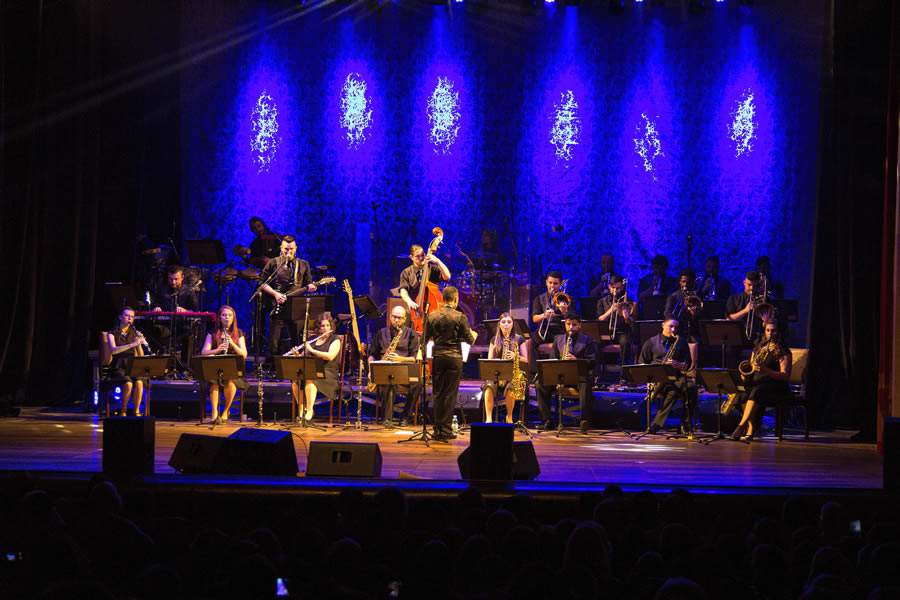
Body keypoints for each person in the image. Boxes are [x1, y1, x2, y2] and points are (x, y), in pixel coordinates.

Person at [424, 286, 477, 441]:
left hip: (438, 357)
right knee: (450, 395)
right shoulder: (460, 317)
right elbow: (470, 339)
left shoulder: (432, 315)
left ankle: (437, 429)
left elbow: (424, 340)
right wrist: (468, 335)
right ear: (455, 299)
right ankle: (446, 430)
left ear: (443, 298)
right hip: (454, 358)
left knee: (438, 393)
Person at [731, 320, 792, 442]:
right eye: (768, 330)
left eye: (773, 330)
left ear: (778, 332)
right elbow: (751, 365)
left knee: (757, 392)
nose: (770, 333)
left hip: (775, 386)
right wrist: (747, 372)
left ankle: (741, 425)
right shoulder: (759, 347)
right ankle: (752, 426)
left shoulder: (783, 351)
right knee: (741, 394)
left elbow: (785, 375)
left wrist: (766, 371)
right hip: (759, 383)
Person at [536, 313, 596, 432]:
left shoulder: (587, 340)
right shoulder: (558, 339)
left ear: (579, 326)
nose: (571, 327)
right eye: (568, 324)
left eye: (574, 325)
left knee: (586, 382)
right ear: (565, 324)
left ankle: (584, 420)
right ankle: (547, 420)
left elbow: (592, 361)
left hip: (578, 376)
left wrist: (576, 360)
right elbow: (552, 359)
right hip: (560, 375)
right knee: (540, 383)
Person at [259, 236, 317, 355]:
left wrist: (312, 287)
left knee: (296, 340)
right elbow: (262, 283)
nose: (288, 251)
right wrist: (275, 294)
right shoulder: (273, 263)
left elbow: (309, 283)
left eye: (291, 249)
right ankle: (272, 367)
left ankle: (295, 367)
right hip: (278, 305)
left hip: (296, 307)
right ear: (281, 248)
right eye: (286, 249)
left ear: (296, 249)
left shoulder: (304, 264)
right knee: (274, 341)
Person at [368, 305, 421, 426]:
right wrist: (371, 369)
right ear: (390, 317)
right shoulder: (381, 333)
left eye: (399, 318)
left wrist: (400, 359)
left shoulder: (411, 334)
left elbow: (413, 358)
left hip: (403, 370)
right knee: (388, 380)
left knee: (418, 384)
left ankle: (406, 417)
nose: (396, 320)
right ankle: (387, 419)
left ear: (404, 319)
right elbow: (372, 354)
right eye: (394, 317)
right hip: (385, 370)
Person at [640, 319, 693, 434]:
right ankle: (656, 424)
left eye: (676, 327)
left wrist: (677, 364)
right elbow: (642, 363)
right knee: (673, 392)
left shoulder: (681, 342)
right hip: (657, 378)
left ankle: (686, 423)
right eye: (671, 326)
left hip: (675, 376)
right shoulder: (651, 342)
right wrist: (649, 379)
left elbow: (687, 364)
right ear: (663, 325)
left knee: (691, 387)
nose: (673, 330)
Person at [286, 315, 342, 423]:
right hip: (311, 370)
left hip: (327, 372)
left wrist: (312, 350)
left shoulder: (335, 339)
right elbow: (304, 357)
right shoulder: (312, 339)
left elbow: (330, 356)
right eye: (322, 326)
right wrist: (297, 354)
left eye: (327, 325)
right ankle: (302, 409)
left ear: (331, 326)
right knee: (295, 380)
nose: (325, 328)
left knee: (310, 378)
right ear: (318, 328)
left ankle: (310, 410)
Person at [198, 305, 248, 425]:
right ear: (220, 317)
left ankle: (226, 411)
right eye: (224, 315)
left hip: (232, 368)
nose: (227, 318)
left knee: (231, 383)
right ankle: (214, 413)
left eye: (229, 315)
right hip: (216, 368)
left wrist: (232, 344)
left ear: (233, 318)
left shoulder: (239, 333)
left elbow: (244, 355)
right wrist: (217, 350)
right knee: (214, 382)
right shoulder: (213, 333)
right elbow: (204, 352)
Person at [482, 312, 528, 424]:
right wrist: (497, 361)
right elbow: (489, 360)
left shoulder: (519, 339)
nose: (506, 324)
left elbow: (526, 360)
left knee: (511, 387)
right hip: (497, 374)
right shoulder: (494, 339)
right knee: (488, 386)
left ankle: (509, 417)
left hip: (512, 374)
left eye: (509, 322)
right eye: (503, 322)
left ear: (513, 324)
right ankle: (489, 418)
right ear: (499, 324)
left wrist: (515, 356)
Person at [106, 307, 147, 416]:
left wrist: (140, 343)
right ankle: (123, 410)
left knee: (139, 382)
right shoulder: (112, 333)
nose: (129, 318)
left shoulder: (134, 333)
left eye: (132, 317)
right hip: (118, 365)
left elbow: (141, 355)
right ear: (120, 317)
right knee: (128, 383)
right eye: (127, 315)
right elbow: (113, 350)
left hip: (131, 364)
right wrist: (132, 344)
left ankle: (136, 410)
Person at [399, 243, 452, 316]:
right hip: (414, 312)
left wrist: (438, 261)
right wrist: (409, 301)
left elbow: (447, 276)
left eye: (422, 255)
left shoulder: (432, 268)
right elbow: (403, 290)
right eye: (417, 256)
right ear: (411, 257)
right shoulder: (406, 272)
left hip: (432, 311)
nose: (421, 258)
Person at [596, 275, 634, 371]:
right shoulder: (602, 301)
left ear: (622, 287)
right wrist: (610, 311)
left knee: (626, 343)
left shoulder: (628, 301)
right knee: (594, 343)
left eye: (618, 288)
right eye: (613, 288)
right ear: (609, 287)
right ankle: (597, 374)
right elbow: (599, 319)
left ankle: (624, 374)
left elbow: (632, 323)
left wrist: (627, 317)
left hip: (621, 332)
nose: (615, 290)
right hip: (607, 332)